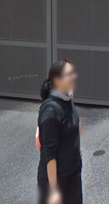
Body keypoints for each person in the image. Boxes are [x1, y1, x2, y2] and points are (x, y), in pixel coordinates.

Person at [37, 60, 82, 204]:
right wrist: (54, 191)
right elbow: (49, 153)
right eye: (69, 74)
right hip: (58, 180)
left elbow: (73, 129)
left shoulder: (66, 100)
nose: (74, 76)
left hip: (72, 173)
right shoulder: (51, 111)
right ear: (57, 80)